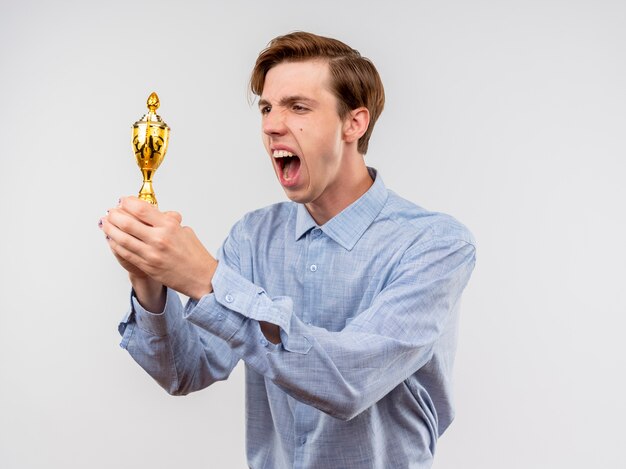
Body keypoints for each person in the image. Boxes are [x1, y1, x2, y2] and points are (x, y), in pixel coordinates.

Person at [100, 31, 476, 469]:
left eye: (298, 107)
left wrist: (206, 280)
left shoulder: (435, 245)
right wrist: (149, 280)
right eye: (266, 107)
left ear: (354, 123)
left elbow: (346, 383)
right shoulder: (253, 237)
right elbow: (187, 370)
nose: (271, 125)